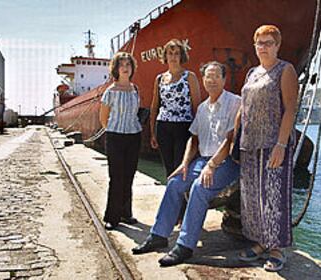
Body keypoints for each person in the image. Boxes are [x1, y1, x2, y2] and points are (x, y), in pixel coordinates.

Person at [132, 61, 240, 267]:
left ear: (224, 79)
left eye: (217, 76)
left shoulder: (235, 102)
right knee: (174, 183)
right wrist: (184, 164)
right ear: (203, 81)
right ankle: (159, 235)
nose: (212, 80)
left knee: (199, 188)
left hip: (225, 162)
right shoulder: (202, 108)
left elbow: (231, 137)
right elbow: (194, 138)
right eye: (208, 76)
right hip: (202, 160)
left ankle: (185, 245)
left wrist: (212, 165)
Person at [235, 25, 298, 272]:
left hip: (273, 143)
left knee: (273, 196)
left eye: (269, 42)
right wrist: (234, 137)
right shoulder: (252, 72)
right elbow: (243, 106)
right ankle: (261, 243)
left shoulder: (285, 70)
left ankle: (277, 248)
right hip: (249, 144)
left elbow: (290, 108)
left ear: (278, 45)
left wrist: (281, 145)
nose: (264, 47)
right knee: (252, 198)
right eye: (260, 43)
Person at [99, 52, 142, 230]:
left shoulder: (135, 89)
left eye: (128, 65)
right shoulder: (110, 91)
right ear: (116, 69)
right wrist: (115, 129)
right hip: (115, 137)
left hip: (134, 136)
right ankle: (112, 216)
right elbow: (103, 118)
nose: (125, 68)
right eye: (121, 65)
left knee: (129, 176)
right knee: (116, 177)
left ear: (132, 68)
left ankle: (126, 213)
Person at [150, 39, 201, 177]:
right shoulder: (159, 79)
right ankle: (171, 197)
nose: (173, 57)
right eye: (170, 53)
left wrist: (197, 134)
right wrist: (153, 133)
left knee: (180, 167)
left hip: (183, 127)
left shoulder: (189, 77)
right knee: (168, 168)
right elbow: (155, 106)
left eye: (176, 53)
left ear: (181, 56)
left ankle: (180, 198)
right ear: (165, 56)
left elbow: (196, 106)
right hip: (163, 127)